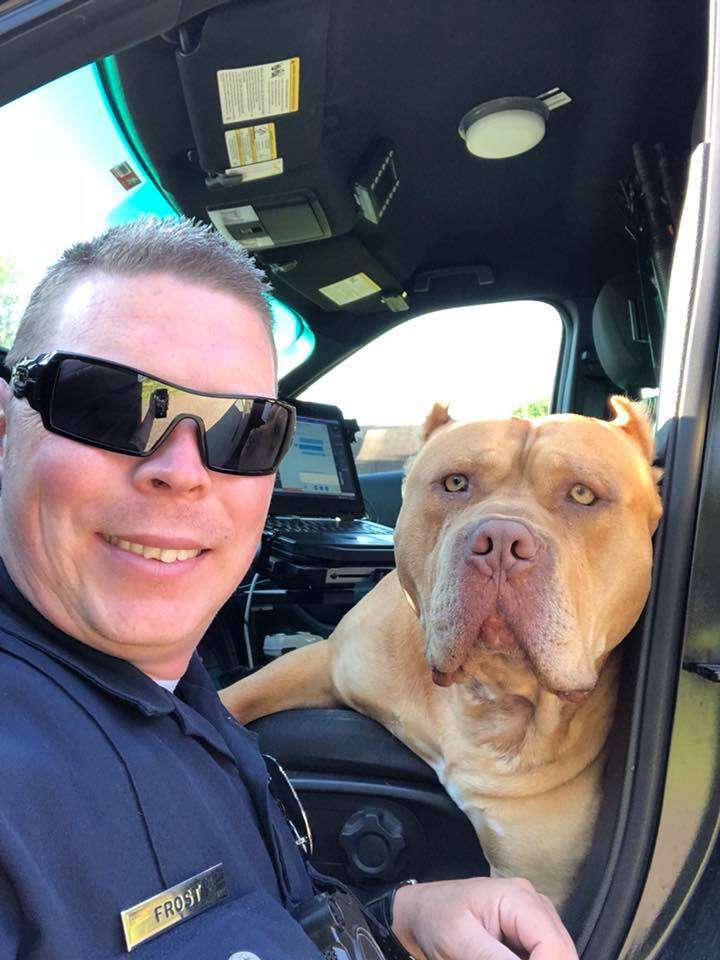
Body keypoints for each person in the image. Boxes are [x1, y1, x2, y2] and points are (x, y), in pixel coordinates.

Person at [0, 216, 578, 960]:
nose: (184, 470)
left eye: (244, 432)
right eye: (111, 405)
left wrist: (393, 918)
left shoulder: (176, 689)